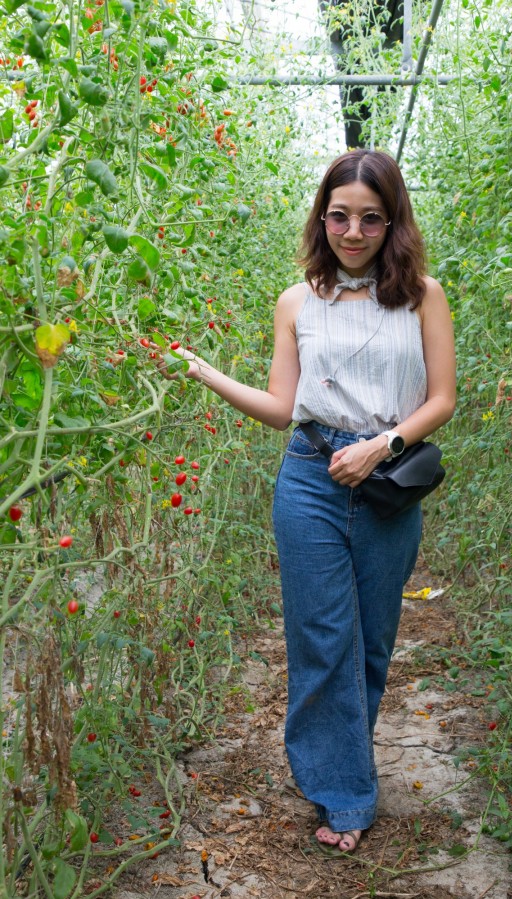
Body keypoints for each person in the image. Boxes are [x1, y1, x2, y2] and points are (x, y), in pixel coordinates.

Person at [156, 149, 456, 854]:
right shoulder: (297, 301)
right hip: (311, 481)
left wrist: (381, 444)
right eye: (341, 216)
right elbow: (282, 405)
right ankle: (346, 794)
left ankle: (339, 758)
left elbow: (442, 399)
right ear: (322, 217)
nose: (353, 231)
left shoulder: (423, 297)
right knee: (323, 639)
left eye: (371, 218)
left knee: (373, 641)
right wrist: (204, 373)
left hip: (386, 483)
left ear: (393, 222)